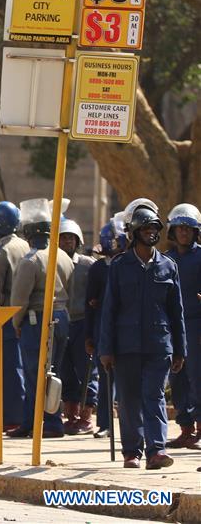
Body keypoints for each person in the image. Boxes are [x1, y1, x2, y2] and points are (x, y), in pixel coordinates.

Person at [100, 198, 186, 469]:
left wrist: (180, 349)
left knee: (154, 395)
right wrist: (106, 349)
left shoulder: (168, 266)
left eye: (155, 228)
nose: (152, 232)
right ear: (135, 232)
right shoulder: (119, 266)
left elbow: (177, 312)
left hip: (159, 345)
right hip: (125, 346)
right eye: (146, 227)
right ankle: (132, 452)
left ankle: (156, 451)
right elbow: (109, 310)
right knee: (128, 399)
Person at [8, 198, 74, 439]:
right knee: (51, 370)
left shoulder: (30, 261)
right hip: (62, 317)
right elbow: (71, 289)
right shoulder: (63, 257)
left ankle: (48, 421)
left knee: (35, 373)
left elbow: (19, 299)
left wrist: (16, 323)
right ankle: (33, 420)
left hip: (36, 320)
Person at [0, 201, 30, 433]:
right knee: (19, 368)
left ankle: (10, 416)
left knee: (7, 369)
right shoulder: (25, 245)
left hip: (3, 316)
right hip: (23, 315)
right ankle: (15, 413)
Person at [84, 215, 127, 438]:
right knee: (105, 377)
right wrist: (89, 335)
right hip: (103, 328)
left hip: (127, 328)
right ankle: (105, 422)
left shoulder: (130, 265)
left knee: (126, 379)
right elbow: (90, 304)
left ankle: (130, 424)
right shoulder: (98, 269)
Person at [163, 203, 200, 451]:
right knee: (177, 380)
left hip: (197, 326)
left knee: (198, 378)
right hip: (173, 328)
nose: (184, 233)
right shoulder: (166, 260)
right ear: (172, 232)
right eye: (179, 229)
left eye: (188, 229)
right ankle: (185, 430)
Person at [58, 217, 97, 435]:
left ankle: (86, 415)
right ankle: (71, 414)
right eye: (63, 238)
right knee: (66, 370)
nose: (67, 242)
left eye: (71, 238)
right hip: (62, 321)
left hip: (82, 322)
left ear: (78, 240)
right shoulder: (51, 262)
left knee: (87, 370)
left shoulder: (87, 265)